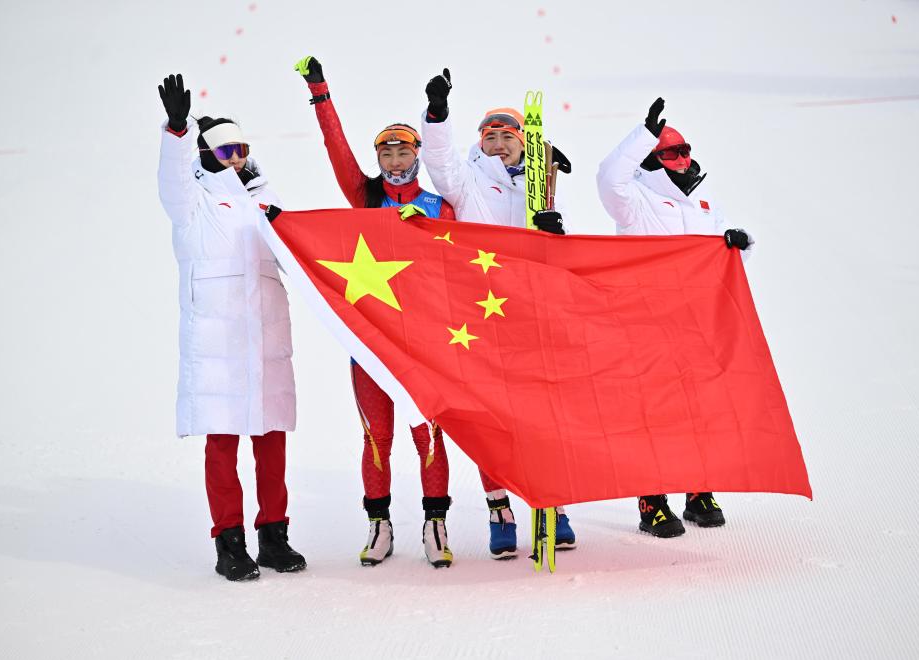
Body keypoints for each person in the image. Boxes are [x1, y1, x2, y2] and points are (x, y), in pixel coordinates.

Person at [294, 56, 454, 568]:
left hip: (423, 343)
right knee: (376, 436)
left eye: (403, 149)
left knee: (427, 434)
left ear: (418, 154)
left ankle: (435, 525)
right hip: (370, 343)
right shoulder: (364, 196)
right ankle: (378, 525)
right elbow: (335, 148)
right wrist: (320, 91)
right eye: (386, 150)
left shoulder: (439, 206)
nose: (394, 158)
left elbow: (459, 269)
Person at [419, 68, 575, 559]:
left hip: (530, 313)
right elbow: (439, 162)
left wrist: (554, 234)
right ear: (480, 143)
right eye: (491, 137)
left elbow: (552, 260)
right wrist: (437, 116)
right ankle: (499, 508)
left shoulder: (539, 186)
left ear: (523, 143)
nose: (500, 144)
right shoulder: (468, 181)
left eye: (509, 137)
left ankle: (552, 502)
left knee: (542, 414)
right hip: (480, 318)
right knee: (490, 418)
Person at [156, 74, 306, 581]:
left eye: (241, 149)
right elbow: (173, 182)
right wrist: (177, 133)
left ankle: (274, 536)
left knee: (272, 443)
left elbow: (299, 254)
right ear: (205, 153)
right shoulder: (193, 202)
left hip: (266, 341)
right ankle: (229, 542)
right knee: (222, 446)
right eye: (225, 151)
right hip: (216, 345)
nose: (236, 159)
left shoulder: (266, 199)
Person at [595, 97, 754, 538]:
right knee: (654, 412)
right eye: (671, 152)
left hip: (696, 323)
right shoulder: (634, 199)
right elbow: (608, 177)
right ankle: (652, 501)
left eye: (685, 150)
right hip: (646, 323)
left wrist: (737, 243)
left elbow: (721, 264)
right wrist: (644, 134)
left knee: (699, 407)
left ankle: (698, 490)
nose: (682, 159)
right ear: (652, 159)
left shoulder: (703, 202)